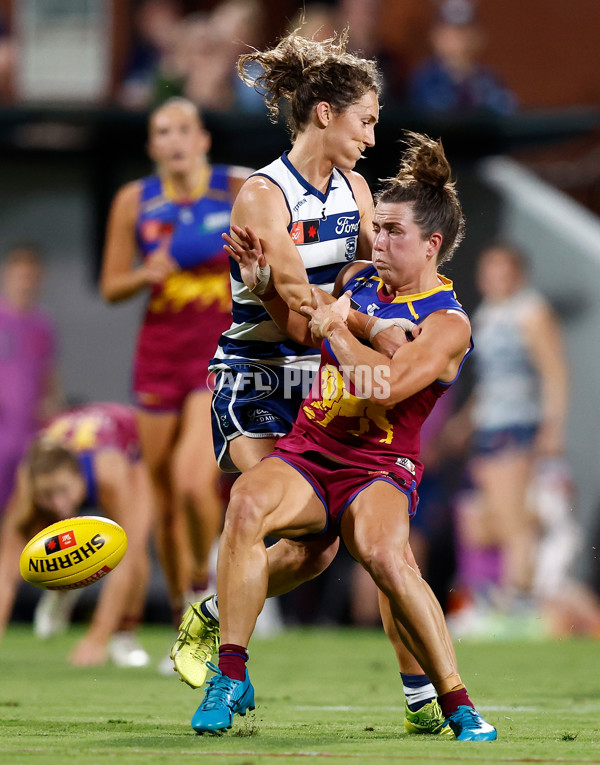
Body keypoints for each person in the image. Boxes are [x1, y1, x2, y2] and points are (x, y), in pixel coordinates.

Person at [172, 28, 461, 738]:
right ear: (326, 114)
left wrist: (416, 316)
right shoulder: (264, 198)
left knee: (337, 543)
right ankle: (229, 672)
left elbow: (377, 282)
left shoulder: (358, 189)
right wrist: (352, 319)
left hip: (324, 377)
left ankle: (218, 610)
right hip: (258, 377)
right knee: (263, 513)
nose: (372, 134)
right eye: (365, 118)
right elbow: (307, 322)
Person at [100, 97, 251, 669]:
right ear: (151, 146)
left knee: (194, 481)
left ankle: (197, 589)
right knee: (161, 494)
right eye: (162, 132)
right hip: (158, 354)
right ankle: (182, 616)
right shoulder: (134, 201)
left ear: (204, 138)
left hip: (214, 353)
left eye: (184, 129)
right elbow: (112, 285)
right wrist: (144, 272)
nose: (174, 140)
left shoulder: (237, 188)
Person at [453, 243, 570, 620]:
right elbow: (489, 382)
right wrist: (464, 422)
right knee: (490, 522)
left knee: (512, 518)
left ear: (517, 273)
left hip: (517, 425)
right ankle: (520, 587)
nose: (493, 277)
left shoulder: (531, 312)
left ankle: (516, 598)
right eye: (489, 269)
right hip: (489, 424)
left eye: (502, 270)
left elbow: (555, 372)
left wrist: (552, 428)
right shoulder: (487, 314)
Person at [0, 402, 152, 667]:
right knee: (29, 527)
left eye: (63, 491)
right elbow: (5, 572)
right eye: (47, 495)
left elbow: (127, 561)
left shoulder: (110, 473)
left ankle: (125, 633)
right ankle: (63, 582)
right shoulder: (29, 480)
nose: (58, 505)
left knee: (133, 545)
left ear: (79, 477)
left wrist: (97, 636)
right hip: (69, 438)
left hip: (130, 442)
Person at [0, 245, 61, 517]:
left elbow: (49, 375)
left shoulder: (43, 325)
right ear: (7, 276)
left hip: (29, 436)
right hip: (2, 433)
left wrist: (53, 412)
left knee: (26, 512)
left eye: (31, 277)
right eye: (20, 276)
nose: (25, 284)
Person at [407, 0, 517, 116]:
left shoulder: (489, 80)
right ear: (435, 36)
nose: (459, 39)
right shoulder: (423, 80)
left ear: (480, 36)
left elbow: (506, 114)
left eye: (465, 30)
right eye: (450, 31)